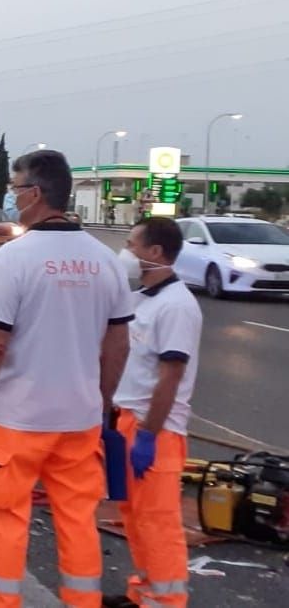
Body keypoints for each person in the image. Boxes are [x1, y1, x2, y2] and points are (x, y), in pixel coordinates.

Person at [0, 149, 134, 608]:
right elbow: (118, 345)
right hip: (78, 421)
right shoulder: (105, 259)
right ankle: (83, 602)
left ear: (35, 194)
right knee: (77, 519)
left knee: (5, 517)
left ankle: (2, 603)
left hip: (19, 420)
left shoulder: (16, 258)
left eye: (15, 189)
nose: (13, 198)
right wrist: (102, 400)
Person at [107, 217, 201, 608]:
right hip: (123, 421)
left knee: (159, 524)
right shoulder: (139, 300)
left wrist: (147, 435)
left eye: (131, 245)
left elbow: (171, 376)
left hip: (155, 431)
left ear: (155, 253)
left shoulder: (178, 307)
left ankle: (165, 603)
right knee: (132, 516)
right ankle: (142, 594)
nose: (126, 253)